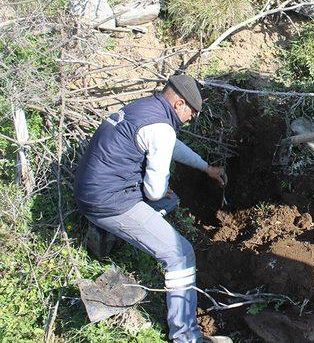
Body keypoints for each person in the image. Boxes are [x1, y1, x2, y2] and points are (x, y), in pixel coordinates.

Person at [74, 75, 227, 342]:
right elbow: (154, 191)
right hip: (111, 202)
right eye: (192, 112)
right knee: (181, 254)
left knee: (169, 201)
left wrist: (206, 168)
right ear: (179, 103)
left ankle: (104, 233)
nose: (191, 117)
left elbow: (173, 147)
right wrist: (157, 189)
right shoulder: (161, 127)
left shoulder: (145, 108)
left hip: (90, 191)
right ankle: (186, 336)